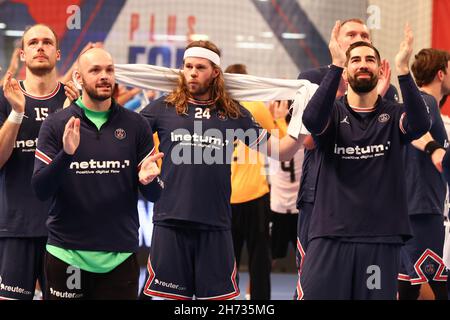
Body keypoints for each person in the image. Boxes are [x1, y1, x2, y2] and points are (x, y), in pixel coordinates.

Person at [139, 40, 305, 300]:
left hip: (215, 226)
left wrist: (301, 117)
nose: (192, 72)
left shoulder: (233, 113)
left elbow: (282, 150)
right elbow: (126, 137)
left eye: (200, 67)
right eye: (188, 66)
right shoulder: (163, 108)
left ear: (215, 71)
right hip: (171, 222)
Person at [299, 22, 430, 299]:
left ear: (380, 69)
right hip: (329, 237)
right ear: (346, 72)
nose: (363, 64)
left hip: (380, 241)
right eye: (355, 60)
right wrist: (335, 65)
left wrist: (404, 70)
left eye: (370, 60)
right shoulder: (332, 113)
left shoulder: (394, 115)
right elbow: (310, 120)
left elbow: (420, 124)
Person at [30, 47, 163, 300]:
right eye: (95, 70)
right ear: (78, 78)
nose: (104, 76)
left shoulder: (136, 125)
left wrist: (150, 180)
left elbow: (155, 195)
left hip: (119, 258)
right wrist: (66, 155)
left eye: (109, 70)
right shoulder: (57, 124)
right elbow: (40, 189)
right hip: (66, 255)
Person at [0, 24, 67, 300]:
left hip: (65, 232)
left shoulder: (74, 99)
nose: (40, 47)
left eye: (47, 42)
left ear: (58, 53)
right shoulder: (5, 97)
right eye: (34, 43)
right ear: (23, 54)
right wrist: (17, 112)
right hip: (15, 228)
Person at [397, 48, 450, 300]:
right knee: (435, 285)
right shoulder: (425, 102)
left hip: (415, 207)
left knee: (410, 285)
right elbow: (416, 131)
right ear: (441, 74)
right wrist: (435, 149)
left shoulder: (424, 103)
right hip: (422, 208)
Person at [223, 63, 273, 300]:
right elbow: (274, 137)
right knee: (259, 261)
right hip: (248, 198)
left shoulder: (218, 109)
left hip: (236, 198)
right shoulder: (256, 107)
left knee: (227, 264)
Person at [267, 100, 303, 272]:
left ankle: (252, 292)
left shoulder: (274, 138)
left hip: (280, 206)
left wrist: (274, 119)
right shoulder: (303, 140)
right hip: (297, 208)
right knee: (305, 259)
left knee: (267, 256)